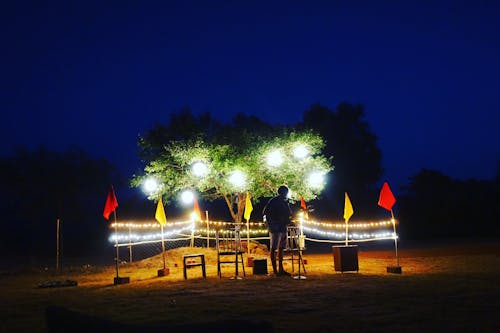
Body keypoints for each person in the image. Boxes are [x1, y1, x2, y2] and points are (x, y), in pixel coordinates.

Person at [262, 185, 293, 276]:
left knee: (281, 248)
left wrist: (289, 218)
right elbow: (265, 213)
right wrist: (270, 225)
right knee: (274, 248)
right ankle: (275, 270)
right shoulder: (273, 201)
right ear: (281, 192)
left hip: (283, 227)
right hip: (275, 228)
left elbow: (288, 213)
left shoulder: (285, 202)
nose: (286, 194)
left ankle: (281, 269)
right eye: (285, 192)